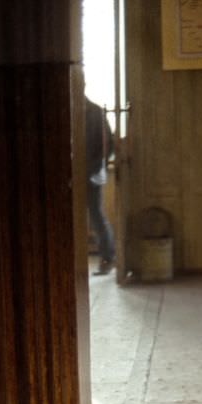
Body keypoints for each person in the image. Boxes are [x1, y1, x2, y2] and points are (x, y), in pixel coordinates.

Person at [85, 96, 115, 275]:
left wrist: (95, 166)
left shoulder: (95, 112)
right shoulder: (68, 107)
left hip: (91, 173)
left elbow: (107, 145)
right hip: (73, 170)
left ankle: (107, 258)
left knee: (95, 216)